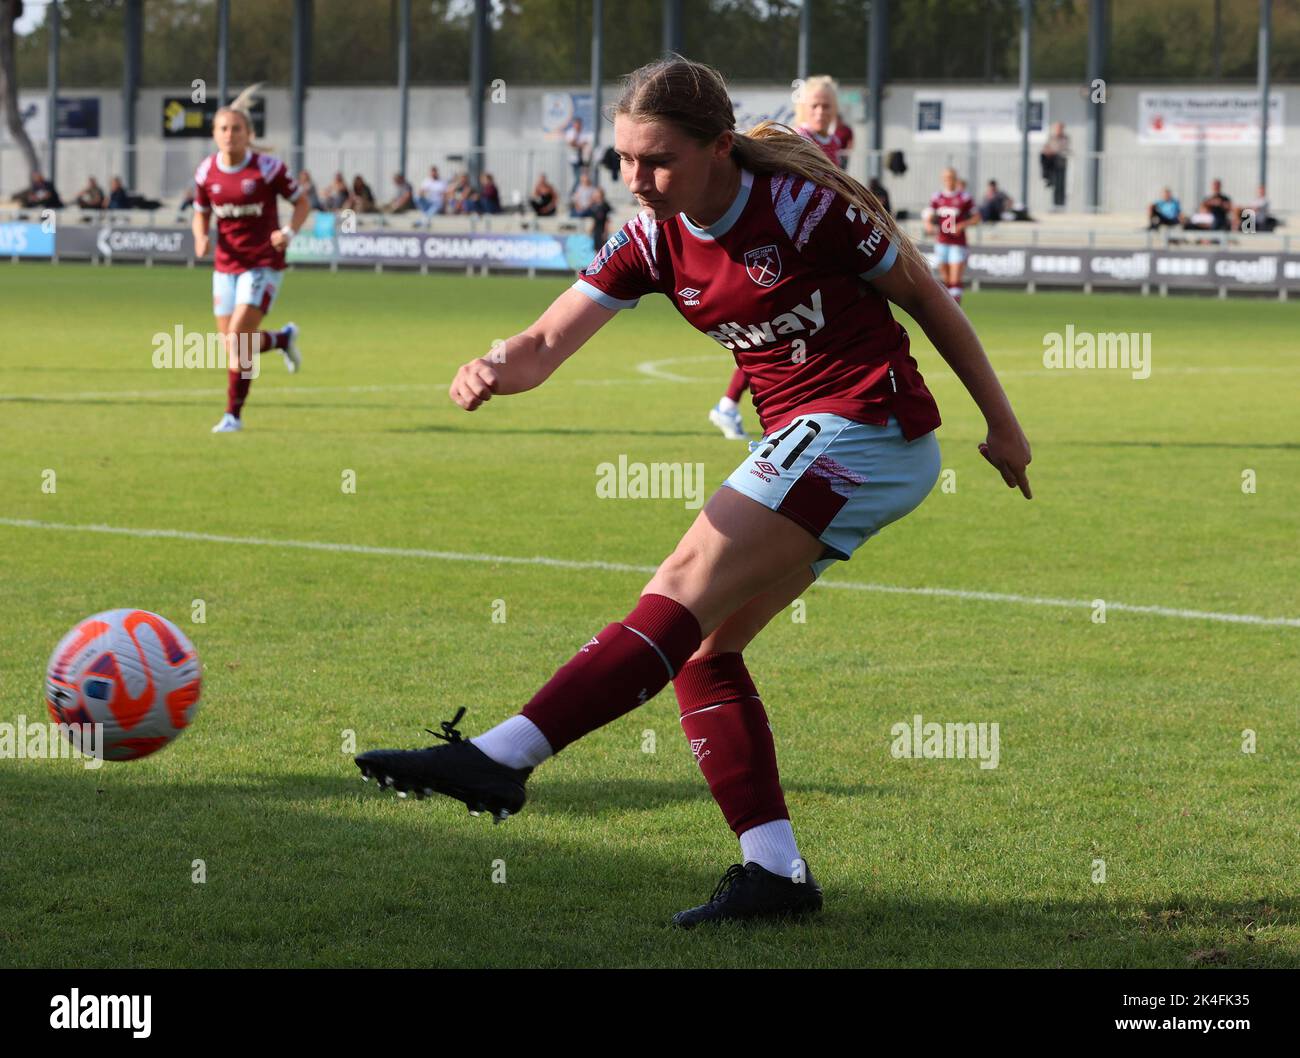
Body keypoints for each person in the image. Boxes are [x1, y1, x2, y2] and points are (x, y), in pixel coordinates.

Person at [355, 57, 1032, 929]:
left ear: (719, 148)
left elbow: (930, 300)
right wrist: (493, 365)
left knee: (680, 580)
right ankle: (774, 874)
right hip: (813, 441)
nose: (636, 180)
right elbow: (545, 342)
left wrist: (1002, 425)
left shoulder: (803, 211)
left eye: (658, 160)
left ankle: (503, 755)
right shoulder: (649, 235)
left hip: (870, 429)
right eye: (625, 161)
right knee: (705, 651)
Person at [191, 84, 310, 434]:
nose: (230, 135)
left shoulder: (268, 170)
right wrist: (200, 235)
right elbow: (201, 211)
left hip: (263, 262)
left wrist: (288, 233)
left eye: (237, 129)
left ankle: (233, 416)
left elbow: (302, 203)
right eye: (223, 129)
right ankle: (282, 339)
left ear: (249, 134)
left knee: (239, 338)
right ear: (214, 134)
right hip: (225, 265)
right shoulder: (206, 172)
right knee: (231, 342)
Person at [924, 167, 978, 305]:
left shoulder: (964, 197)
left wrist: (962, 225)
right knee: (946, 281)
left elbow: (977, 217)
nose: (949, 181)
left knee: (955, 280)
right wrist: (928, 224)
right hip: (942, 241)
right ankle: (948, 310)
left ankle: (956, 313)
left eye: (951, 178)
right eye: (946, 178)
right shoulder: (937, 197)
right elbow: (929, 214)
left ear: (955, 179)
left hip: (957, 243)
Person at [793, 75, 844, 167]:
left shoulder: (835, 141)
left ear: (834, 108)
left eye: (826, 106)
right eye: (814, 106)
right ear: (804, 107)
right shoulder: (798, 137)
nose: (820, 112)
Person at [1040, 122, 1069, 209]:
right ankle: (1046, 177)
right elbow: (1046, 147)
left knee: (1061, 186)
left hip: (1060, 163)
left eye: (1060, 128)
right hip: (1052, 164)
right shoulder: (1051, 138)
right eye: (1057, 128)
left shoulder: (1065, 138)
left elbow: (1064, 149)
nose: (1058, 130)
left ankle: (1060, 205)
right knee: (1055, 186)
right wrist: (1048, 151)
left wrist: (1054, 151)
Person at [565, 116, 593, 193]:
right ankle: (572, 194)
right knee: (578, 178)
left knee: (585, 178)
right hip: (574, 159)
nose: (578, 126)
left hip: (584, 159)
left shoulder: (585, 132)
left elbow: (587, 144)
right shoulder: (570, 132)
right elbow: (571, 143)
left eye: (579, 124)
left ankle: (579, 195)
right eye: (576, 124)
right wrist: (576, 136)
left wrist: (579, 144)